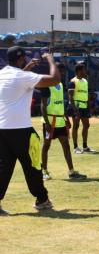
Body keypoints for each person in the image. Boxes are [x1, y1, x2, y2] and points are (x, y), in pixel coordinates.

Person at [0, 48, 59, 214]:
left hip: (2, 129)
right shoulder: (23, 77)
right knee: (33, 166)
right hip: (21, 130)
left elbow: (15, 82)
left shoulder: (3, 74)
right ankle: (42, 199)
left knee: (3, 168)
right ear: (20, 59)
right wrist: (51, 60)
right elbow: (55, 79)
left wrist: (26, 69)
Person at [40, 63, 87, 181]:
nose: (63, 74)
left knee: (66, 145)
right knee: (46, 146)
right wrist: (47, 123)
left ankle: (71, 172)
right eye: (61, 71)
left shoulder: (61, 85)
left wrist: (66, 118)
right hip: (50, 122)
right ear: (55, 72)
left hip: (60, 121)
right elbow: (43, 106)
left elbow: (61, 103)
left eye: (63, 72)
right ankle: (44, 171)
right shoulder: (47, 85)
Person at [69, 63, 93, 154]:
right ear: (79, 71)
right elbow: (70, 97)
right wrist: (75, 110)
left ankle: (85, 146)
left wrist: (89, 106)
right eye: (84, 69)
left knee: (86, 125)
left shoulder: (85, 81)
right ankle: (75, 148)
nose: (85, 71)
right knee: (76, 126)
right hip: (76, 106)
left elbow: (86, 95)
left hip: (84, 106)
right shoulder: (73, 81)